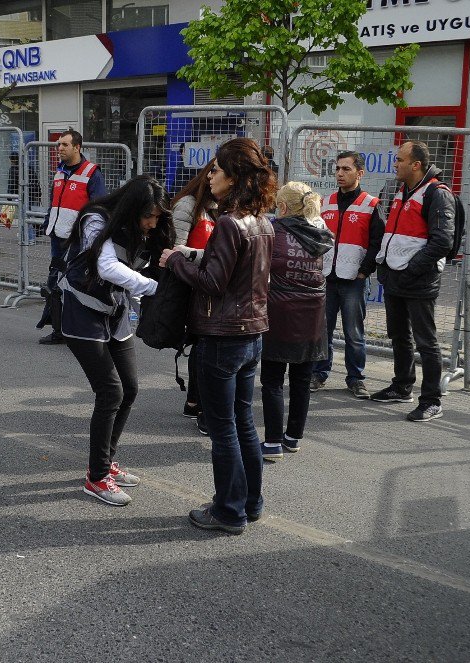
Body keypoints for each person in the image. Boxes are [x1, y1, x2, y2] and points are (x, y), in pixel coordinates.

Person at [160, 137, 275, 535]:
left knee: (225, 426)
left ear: (234, 176)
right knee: (242, 422)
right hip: (251, 333)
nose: (209, 176)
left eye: (216, 170)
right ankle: (250, 501)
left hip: (223, 336)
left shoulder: (230, 222)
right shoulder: (260, 221)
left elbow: (212, 282)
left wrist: (176, 260)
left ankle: (229, 510)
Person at [60, 175, 172, 507]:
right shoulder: (96, 218)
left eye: (157, 217)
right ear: (132, 208)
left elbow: (142, 271)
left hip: (115, 311)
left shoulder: (145, 231)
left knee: (130, 388)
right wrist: (155, 290)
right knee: (111, 391)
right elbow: (106, 266)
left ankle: (106, 462)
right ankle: (96, 478)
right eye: (148, 215)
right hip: (82, 310)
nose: (152, 223)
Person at [370, 140, 454, 422]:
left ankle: (431, 400)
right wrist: (385, 266)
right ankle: (402, 385)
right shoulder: (400, 190)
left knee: (426, 342)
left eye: (400, 160)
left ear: (416, 165)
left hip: (418, 279)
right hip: (396, 276)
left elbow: (442, 240)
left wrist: (412, 269)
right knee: (399, 335)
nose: (395, 164)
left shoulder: (437, 194)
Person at [260, 182, 333, 462]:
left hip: (279, 313)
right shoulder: (322, 234)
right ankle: (293, 438)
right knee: (301, 380)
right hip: (314, 314)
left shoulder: (273, 231)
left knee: (273, 381)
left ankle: (272, 443)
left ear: (283, 207)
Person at [311, 151, 385, 397]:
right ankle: (319, 373)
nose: (340, 174)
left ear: (359, 173)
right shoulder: (326, 202)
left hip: (354, 279)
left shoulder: (370, 204)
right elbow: (316, 237)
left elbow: (377, 242)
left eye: (346, 169)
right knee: (322, 330)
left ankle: (356, 379)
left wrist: (365, 271)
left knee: (354, 334)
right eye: (338, 169)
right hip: (327, 278)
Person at [37, 129, 106, 345]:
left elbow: (98, 208)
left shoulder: (91, 173)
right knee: (56, 281)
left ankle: (74, 329)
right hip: (58, 237)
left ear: (77, 147)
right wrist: (48, 223)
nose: (60, 149)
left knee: (72, 283)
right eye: (59, 145)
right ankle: (60, 329)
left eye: (65, 145)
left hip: (77, 241)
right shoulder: (59, 172)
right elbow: (55, 203)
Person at [170, 160, 218, 429]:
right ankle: (196, 403)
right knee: (201, 346)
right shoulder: (188, 205)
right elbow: (176, 250)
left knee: (203, 345)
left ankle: (193, 401)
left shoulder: (218, 208)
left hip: (208, 286)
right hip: (192, 286)